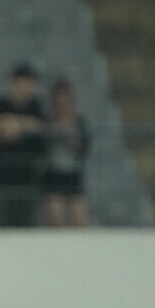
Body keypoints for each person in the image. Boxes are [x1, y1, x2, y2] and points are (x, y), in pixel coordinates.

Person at [0, 62, 46, 227]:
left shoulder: (36, 106)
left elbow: (39, 125)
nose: (23, 87)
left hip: (27, 175)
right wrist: (6, 123)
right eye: (20, 82)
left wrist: (16, 124)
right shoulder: (0, 104)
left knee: (24, 224)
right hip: (1, 174)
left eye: (27, 83)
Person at [43, 79, 91, 227]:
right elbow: (41, 146)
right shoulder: (47, 122)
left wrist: (67, 133)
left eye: (65, 98)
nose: (62, 102)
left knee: (81, 220)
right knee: (55, 219)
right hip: (53, 173)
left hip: (73, 173)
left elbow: (83, 150)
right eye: (59, 98)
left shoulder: (79, 122)